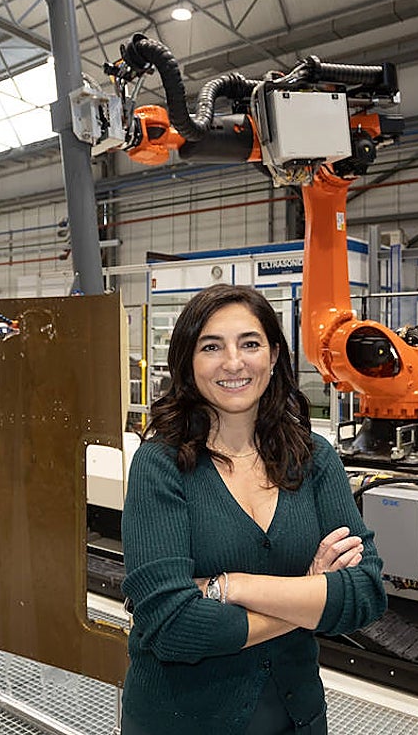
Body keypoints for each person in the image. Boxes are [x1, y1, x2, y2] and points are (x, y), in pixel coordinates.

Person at [120, 284, 386, 734]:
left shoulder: (313, 458)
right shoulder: (161, 464)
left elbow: (365, 591)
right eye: (211, 346)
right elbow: (169, 626)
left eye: (250, 343)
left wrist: (232, 586)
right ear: (187, 362)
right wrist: (308, 595)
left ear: (275, 355)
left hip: (296, 717)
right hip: (182, 720)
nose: (233, 362)